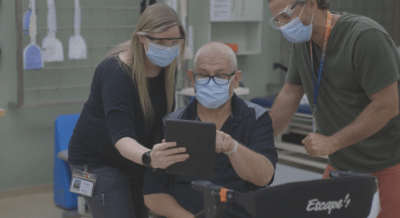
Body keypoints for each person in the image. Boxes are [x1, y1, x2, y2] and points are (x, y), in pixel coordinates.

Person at [267, 0, 400, 217]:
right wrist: (258, 141)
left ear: (310, 4)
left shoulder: (365, 37)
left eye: (285, 15)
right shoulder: (304, 41)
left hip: (387, 163)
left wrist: (332, 142)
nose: (283, 26)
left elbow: (387, 106)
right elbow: (290, 94)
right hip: (341, 163)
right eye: (277, 20)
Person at [67, 4, 189, 218]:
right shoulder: (116, 73)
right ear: (142, 38)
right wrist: (151, 158)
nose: (169, 48)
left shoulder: (168, 66)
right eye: (161, 41)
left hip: (136, 159)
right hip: (96, 162)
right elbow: (122, 138)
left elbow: (162, 119)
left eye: (174, 42)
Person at [142, 42, 278, 218]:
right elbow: (152, 193)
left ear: (235, 79)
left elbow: (264, 177)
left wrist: (233, 148)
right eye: (203, 75)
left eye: (221, 76)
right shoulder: (171, 123)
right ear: (192, 78)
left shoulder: (256, 119)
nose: (211, 82)